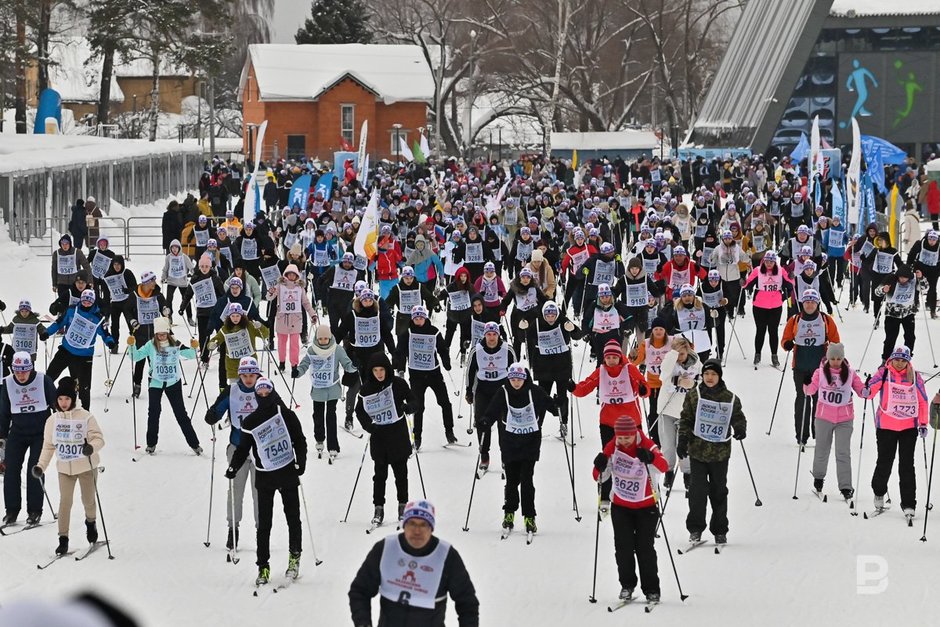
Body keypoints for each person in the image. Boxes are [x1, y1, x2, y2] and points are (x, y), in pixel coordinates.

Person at [225, 377, 307, 586]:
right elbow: (243, 448)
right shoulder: (250, 421)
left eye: (266, 393)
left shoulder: (285, 414)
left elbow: (299, 439)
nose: (263, 397)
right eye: (259, 394)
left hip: (287, 471)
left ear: (272, 393)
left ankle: (294, 557)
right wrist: (234, 466)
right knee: (265, 524)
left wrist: (301, 462)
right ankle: (263, 566)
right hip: (265, 475)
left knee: (293, 518)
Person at [349, 499, 479, 627]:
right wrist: (363, 622)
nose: (417, 531)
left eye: (423, 525)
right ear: (404, 525)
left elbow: (467, 603)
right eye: (412, 523)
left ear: (431, 528)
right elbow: (360, 590)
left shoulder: (446, 556)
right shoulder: (385, 549)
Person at [592, 415, 667, 604]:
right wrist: (599, 465)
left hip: (647, 506)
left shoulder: (647, 444)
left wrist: (650, 458)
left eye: (628, 437)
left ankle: (651, 589)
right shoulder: (612, 447)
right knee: (623, 548)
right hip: (621, 506)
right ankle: (627, 585)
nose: (624, 441)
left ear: (635, 433)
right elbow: (599, 477)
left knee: (645, 548)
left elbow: (664, 466)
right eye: (621, 437)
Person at [571, 339, 649, 512]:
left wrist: (643, 390)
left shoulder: (629, 369)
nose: (612, 360)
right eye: (608, 357)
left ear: (619, 356)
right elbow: (585, 387)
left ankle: (638, 492)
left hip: (631, 423)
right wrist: (573, 387)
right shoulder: (601, 371)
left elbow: (644, 385)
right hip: (608, 423)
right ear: (604, 358)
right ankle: (606, 494)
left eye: (614, 357)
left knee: (635, 459)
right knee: (608, 459)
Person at [480, 363, 558, 535]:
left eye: (519, 379)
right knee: (512, 480)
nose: (516, 383)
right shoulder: (503, 392)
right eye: (513, 379)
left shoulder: (534, 391)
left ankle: (530, 516)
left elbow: (552, 406)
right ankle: (509, 513)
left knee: (527, 480)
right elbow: (492, 411)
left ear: (525, 379)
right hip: (510, 442)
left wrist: (558, 405)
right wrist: (485, 420)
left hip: (530, 442)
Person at [677, 359, 746, 546]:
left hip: (720, 454)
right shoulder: (694, 395)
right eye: (707, 374)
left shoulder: (729, 397)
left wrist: (740, 428)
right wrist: (682, 440)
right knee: (697, 492)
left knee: (719, 491)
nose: (709, 377)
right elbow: (685, 419)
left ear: (719, 376)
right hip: (697, 452)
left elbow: (738, 416)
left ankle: (720, 530)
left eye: (713, 374)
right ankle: (695, 529)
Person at [32, 376, 104, 556]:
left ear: (73, 399)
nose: (63, 403)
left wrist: (91, 447)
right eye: (60, 399)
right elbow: (48, 446)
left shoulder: (85, 416)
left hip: (86, 466)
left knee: (88, 500)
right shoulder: (52, 421)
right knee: (65, 503)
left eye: (67, 399)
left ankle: (91, 522)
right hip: (65, 468)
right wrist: (41, 466)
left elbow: (99, 439)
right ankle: (63, 539)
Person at [863, 346, 929, 520]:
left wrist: (923, 423)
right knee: (885, 462)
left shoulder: (915, 377)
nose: (899, 363)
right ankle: (879, 492)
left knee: (907, 466)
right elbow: (870, 393)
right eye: (897, 359)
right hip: (886, 427)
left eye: (903, 360)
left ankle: (909, 504)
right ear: (891, 359)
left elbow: (923, 401)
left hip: (909, 427)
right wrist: (867, 389)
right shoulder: (884, 374)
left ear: (908, 361)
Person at [205, 357, 262, 551]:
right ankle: (233, 529)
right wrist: (212, 414)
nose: (248, 379)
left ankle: (261, 530)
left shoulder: (264, 389)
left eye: (252, 375)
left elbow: (278, 412)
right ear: (239, 375)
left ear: (257, 374)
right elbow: (217, 410)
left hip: (260, 450)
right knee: (235, 491)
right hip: (237, 448)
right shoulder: (232, 391)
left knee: (259, 492)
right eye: (244, 375)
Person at [128, 317, 202, 455]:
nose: (161, 337)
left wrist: (194, 346)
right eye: (159, 334)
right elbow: (135, 357)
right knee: (154, 412)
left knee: (180, 413)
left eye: (164, 334)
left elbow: (191, 355)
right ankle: (151, 444)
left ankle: (194, 444)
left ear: (168, 333)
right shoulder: (150, 345)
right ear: (155, 334)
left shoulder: (175, 343)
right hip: (155, 382)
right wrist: (131, 346)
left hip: (173, 382)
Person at [355, 353, 414, 527]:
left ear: (387, 369)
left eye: (382, 370)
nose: (379, 374)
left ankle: (403, 506)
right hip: (379, 437)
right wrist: (368, 425)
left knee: (401, 474)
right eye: (375, 370)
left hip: (398, 435)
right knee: (379, 475)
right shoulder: (366, 389)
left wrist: (409, 407)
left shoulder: (398, 384)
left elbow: (414, 400)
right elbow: (360, 411)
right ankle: (378, 508)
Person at [0, 352, 57, 526]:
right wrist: (2, 436)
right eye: (17, 371)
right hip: (17, 433)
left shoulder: (43, 380)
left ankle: (34, 510)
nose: (20, 375)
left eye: (24, 371)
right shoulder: (8, 383)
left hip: (40, 433)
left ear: (30, 368)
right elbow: (3, 412)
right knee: (10, 470)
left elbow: (57, 404)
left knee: (35, 469)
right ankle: (11, 510)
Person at [803, 343, 865, 499]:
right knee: (822, 450)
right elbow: (810, 391)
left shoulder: (850, 373)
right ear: (828, 358)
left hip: (845, 419)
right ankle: (818, 478)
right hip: (823, 417)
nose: (836, 361)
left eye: (839, 358)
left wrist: (868, 388)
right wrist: (805, 383)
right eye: (832, 358)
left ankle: (845, 487)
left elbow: (862, 392)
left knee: (843, 452)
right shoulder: (820, 372)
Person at [781, 288, 840, 445]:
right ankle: (801, 434)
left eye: (812, 302)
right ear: (802, 303)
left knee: (819, 400)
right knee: (802, 399)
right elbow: (785, 338)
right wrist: (787, 344)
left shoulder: (826, 320)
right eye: (806, 302)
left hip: (821, 368)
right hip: (800, 366)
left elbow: (836, 341)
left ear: (817, 303)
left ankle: (818, 433)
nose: (809, 305)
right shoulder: (795, 320)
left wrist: (834, 355)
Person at [393, 305, 455, 449]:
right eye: (416, 318)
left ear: (425, 318)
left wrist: (446, 362)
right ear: (413, 319)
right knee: (418, 407)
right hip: (416, 375)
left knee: (445, 402)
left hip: (434, 373)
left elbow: (442, 348)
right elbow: (399, 351)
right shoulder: (407, 333)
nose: (419, 320)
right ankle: (417, 436)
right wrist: (399, 366)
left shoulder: (434, 332)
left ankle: (449, 431)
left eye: (421, 317)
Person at [45, 290, 116, 410]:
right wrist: (47, 332)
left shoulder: (97, 317)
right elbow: (59, 323)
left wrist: (110, 342)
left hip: (84, 356)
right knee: (49, 377)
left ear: (93, 302)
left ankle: (85, 413)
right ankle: (47, 404)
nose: (86, 303)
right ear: (81, 300)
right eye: (84, 300)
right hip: (66, 350)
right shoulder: (72, 310)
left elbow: (105, 333)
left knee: (84, 387)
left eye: (89, 301)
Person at [295, 324, 357, 460]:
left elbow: (346, 364)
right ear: (317, 338)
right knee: (317, 415)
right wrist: (297, 372)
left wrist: (353, 366)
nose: (323, 341)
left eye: (326, 338)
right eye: (321, 338)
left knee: (331, 416)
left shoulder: (337, 349)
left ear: (330, 337)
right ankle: (319, 438)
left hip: (333, 389)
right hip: (318, 389)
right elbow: (305, 364)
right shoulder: (312, 350)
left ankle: (333, 445)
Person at [522, 300, 581, 438]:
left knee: (562, 396)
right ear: (543, 315)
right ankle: (538, 424)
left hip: (562, 366)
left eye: (553, 315)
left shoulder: (563, 321)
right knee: (542, 396)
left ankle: (563, 423)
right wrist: (522, 328)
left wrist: (572, 328)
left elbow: (578, 335)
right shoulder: (537, 323)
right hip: (544, 368)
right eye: (547, 315)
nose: (550, 318)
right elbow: (524, 338)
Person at [465, 322, 517, 475]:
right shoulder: (477, 350)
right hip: (483, 391)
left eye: (494, 334)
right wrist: (469, 391)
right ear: (485, 335)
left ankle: (505, 456)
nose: (492, 338)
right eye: (489, 334)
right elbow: (470, 371)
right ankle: (484, 455)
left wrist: (515, 391)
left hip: (502, 391)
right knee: (482, 423)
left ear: (498, 335)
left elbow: (515, 370)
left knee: (504, 425)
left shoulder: (507, 349)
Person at [655, 337, 701, 491]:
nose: (680, 357)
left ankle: (687, 474)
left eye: (682, 354)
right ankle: (668, 472)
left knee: (685, 445)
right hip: (667, 410)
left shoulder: (696, 363)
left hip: (686, 412)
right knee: (668, 444)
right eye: (677, 354)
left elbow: (702, 382)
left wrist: (693, 383)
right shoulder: (669, 362)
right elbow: (663, 377)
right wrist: (677, 379)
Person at [743, 250, 792, 368]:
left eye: (771, 261)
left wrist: (783, 297)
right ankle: (757, 354)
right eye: (767, 261)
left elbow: (790, 286)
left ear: (775, 262)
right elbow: (748, 284)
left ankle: (774, 356)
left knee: (773, 331)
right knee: (760, 330)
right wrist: (743, 282)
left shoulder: (781, 271)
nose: (769, 264)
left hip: (775, 306)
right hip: (759, 306)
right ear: (763, 261)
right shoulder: (757, 271)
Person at [875, 265, 918, 362]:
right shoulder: (890, 278)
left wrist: (921, 278)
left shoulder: (914, 280)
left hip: (908, 313)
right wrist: (883, 290)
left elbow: (925, 288)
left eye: (905, 277)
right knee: (890, 338)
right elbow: (877, 292)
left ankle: (907, 358)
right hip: (892, 314)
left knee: (910, 337)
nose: (903, 279)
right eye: (901, 277)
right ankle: (886, 359)